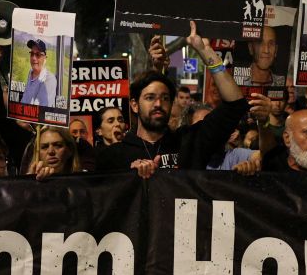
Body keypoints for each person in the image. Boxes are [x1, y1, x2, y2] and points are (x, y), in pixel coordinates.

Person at [96, 21, 248, 176]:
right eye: (150, 97)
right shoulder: (112, 156)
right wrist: (129, 177)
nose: (158, 104)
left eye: (165, 98)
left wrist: (205, 51)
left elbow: (235, 105)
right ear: (134, 105)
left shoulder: (189, 142)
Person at [21, 39, 57, 107]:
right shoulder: (30, 72)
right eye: (32, 54)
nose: (34, 58)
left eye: (38, 55)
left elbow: (42, 110)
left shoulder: (49, 79)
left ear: (45, 58)